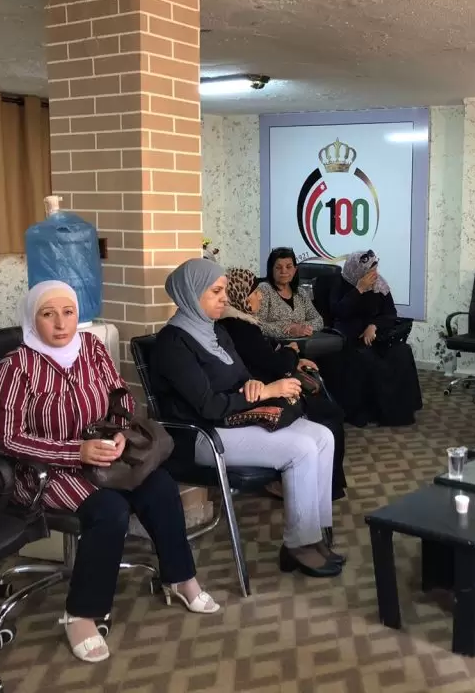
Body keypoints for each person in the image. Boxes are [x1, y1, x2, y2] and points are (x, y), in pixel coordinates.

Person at [0, 281, 218, 664]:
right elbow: (7, 439)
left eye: (68, 313)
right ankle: (81, 613)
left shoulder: (91, 348)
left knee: (160, 486)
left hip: (105, 457)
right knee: (110, 510)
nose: (60, 323)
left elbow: (120, 397)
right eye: (48, 314)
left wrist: (121, 433)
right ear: (32, 319)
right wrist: (74, 451)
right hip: (47, 470)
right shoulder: (15, 368)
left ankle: (180, 578)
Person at [149, 259, 343, 578]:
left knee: (323, 437)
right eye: (215, 292)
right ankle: (298, 545)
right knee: (302, 449)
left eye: (224, 290)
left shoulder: (216, 332)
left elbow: (243, 376)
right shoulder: (173, 344)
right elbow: (209, 406)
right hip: (202, 436)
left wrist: (253, 385)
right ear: (191, 294)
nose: (224, 298)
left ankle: (314, 534)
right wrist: (264, 392)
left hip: (235, 420)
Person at [219, 266, 347, 500]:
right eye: (255, 293)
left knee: (330, 412)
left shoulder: (243, 322)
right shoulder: (240, 327)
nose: (260, 297)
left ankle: (320, 486)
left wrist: (292, 356)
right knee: (330, 418)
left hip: (270, 385)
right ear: (241, 296)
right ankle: (320, 487)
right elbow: (276, 364)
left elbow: (271, 352)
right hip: (264, 393)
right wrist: (291, 353)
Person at [327, 250, 423, 427]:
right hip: (350, 337)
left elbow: (390, 313)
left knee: (402, 352)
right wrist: (359, 290)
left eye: (376, 269)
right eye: (370, 271)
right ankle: (369, 412)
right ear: (358, 270)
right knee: (367, 358)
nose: (375, 274)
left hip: (376, 335)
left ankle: (400, 410)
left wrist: (374, 325)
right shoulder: (340, 284)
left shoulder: (379, 284)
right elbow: (338, 312)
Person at [255, 247, 325, 340]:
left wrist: (300, 327)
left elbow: (318, 320)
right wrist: (289, 331)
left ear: (295, 270)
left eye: (288, 267)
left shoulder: (301, 292)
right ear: (271, 270)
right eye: (278, 267)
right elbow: (257, 324)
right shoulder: (264, 289)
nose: (284, 271)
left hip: (303, 343)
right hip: (275, 345)